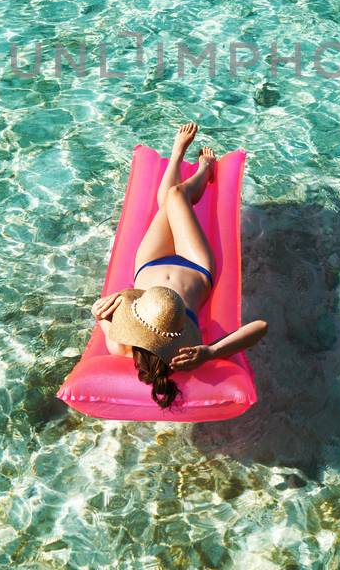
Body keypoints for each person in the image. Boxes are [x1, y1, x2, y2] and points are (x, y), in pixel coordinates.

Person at [89, 122, 268, 409]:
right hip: (195, 266)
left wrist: (97, 313)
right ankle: (203, 169)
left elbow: (102, 314)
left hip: (149, 262)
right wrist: (211, 352)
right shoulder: (184, 355)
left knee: (167, 203)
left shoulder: (120, 344)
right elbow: (261, 327)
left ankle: (177, 156)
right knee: (175, 197)